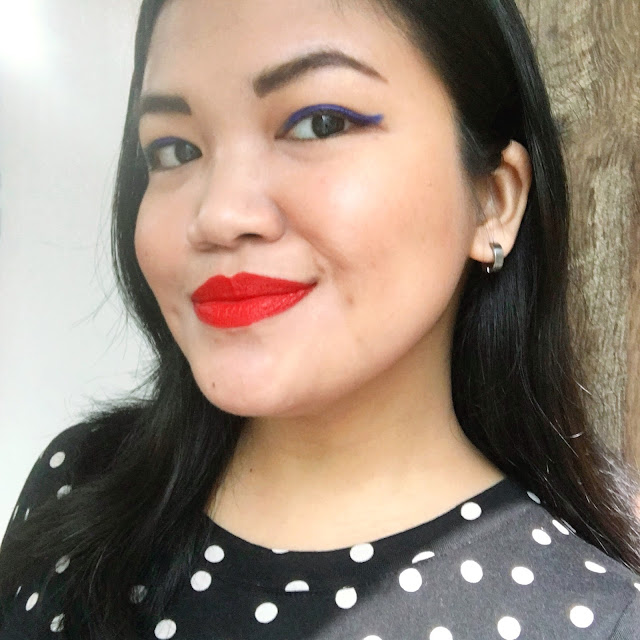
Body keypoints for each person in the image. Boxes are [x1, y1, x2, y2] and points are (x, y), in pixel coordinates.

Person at [1, 0, 639, 638]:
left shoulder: (597, 620)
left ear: (493, 199)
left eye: (319, 123)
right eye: (174, 149)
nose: (218, 215)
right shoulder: (77, 483)